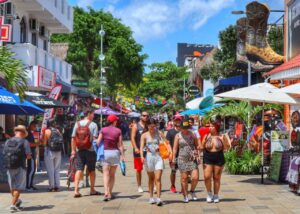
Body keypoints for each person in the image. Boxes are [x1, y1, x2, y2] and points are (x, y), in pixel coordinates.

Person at [71, 109, 100, 198]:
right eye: (93, 114)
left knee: (79, 169)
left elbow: (73, 138)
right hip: (91, 150)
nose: (94, 116)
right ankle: (92, 189)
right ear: (89, 114)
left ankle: (76, 190)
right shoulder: (93, 124)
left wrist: (73, 150)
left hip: (80, 150)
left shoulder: (77, 124)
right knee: (92, 170)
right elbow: (95, 139)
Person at [3, 125, 32, 212]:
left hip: (9, 166)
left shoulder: (8, 141)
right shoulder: (24, 141)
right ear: (23, 133)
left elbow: (4, 153)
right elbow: (28, 156)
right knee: (18, 187)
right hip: (20, 166)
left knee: (12, 187)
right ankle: (12, 205)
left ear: (16, 132)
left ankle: (17, 201)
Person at [97, 114, 125, 201]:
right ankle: (110, 193)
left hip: (105, 153)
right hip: (115, 153)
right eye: (116, 120)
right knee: (112, 174)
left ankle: (106, 192)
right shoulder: (118, 131)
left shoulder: (103, 130)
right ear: (114, 121)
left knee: (105, 173)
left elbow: (98, 142)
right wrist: (122, 155)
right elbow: (120, 145)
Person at [201, 119, 230, 203]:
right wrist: (204, 142)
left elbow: (227, 147)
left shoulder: (222, 136)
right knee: (207, 177)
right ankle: (209, 193)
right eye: (209, 126)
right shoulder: (206, 136)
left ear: (216, 127)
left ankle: (216, 195)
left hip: (219, 157)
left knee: (216, 178)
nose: (210, 127)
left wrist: (223, 139)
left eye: (212, 126)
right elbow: (202, 147)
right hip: (207, 157)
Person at [172, 118, 200, 203]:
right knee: (184, 178)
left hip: (192, 159)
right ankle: (185, 195)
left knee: (195, 177)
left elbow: (197, 145)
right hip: (182, 159)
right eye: (183, 128)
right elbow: (175, 148)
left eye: (187, 127)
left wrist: (198, 153)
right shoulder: (178, 136)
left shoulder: (192, 134)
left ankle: (192, 191)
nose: (185, 129)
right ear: (180, 127)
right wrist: (173, 158)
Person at [140, 118, 165, 206]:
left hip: (158, 156)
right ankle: (151, 197)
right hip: (149, 157)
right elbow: (141, 147)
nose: (152, 128)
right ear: (147, 126)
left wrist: (167, 150)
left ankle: (158, 198)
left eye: (153, 126)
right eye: (150, 126)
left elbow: (166, 142)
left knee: (158, 178)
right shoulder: (144, 135)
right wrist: (142, 156)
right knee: (151, 178)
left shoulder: (159, 133)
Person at [131, 111, 148, 193]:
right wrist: (135, 148)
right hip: (138, 151)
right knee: (139, 169)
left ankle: (153, 185)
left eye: (147, 116)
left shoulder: (149, 125)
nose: (146, 117)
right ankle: (139, 186)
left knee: (151, 169)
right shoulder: (136, 126)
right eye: (144, 115)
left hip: (148, 151)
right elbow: (132, 138)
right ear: (141, 116)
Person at [43, 119, 63, 192]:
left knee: (50, 170)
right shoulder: (57, 131)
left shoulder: (47, 131)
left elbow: (44, 143)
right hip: (58, 151)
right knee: (57, 169)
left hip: (50, 151)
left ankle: (51, 187)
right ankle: (57, 186)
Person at [165, 115, 182, 193]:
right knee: (173, 171)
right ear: (174, 122)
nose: (178, 122)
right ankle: (172, 185)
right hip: (173, 154)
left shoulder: (184, 131)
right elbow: (167, 143)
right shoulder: (170, 131)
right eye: (176, 120)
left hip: (183, 155)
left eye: (179, 120)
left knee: (184, 172)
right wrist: (171, 153)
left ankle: (183, 186)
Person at [25, 121, 38, 191]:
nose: (35, 127)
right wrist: (37, 143)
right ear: (31, 125)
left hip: (31, 153)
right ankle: (28, 186)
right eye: (34, 126)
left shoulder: (30, 133)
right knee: (31, 170)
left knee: (32, 169)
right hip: (30, 154)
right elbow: (29, 144)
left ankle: (30, 185)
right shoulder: (28, 133)